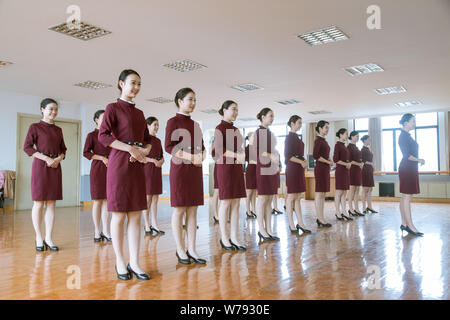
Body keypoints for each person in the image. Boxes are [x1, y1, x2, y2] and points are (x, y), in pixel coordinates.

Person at [99, 69, 152, 280]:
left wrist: (144, 151)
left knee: (136, 215)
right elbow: (103, 136)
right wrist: (129, 149)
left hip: (137, 164)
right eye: (132, 83)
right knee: (119, 215)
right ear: (121, 84)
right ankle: (120, 261)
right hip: (119, 164)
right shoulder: (112, 108)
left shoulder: (140, 114)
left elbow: (148, 140)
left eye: (139, 83)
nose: (136, 87)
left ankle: (135, 262)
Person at [165, 88, 207, 264]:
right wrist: (191, 157)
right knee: (180, 209)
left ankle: (192, 249)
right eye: (190, 99)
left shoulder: (196, 124)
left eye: (195, 100)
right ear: (180, 101)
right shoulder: (172, 121)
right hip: (180, 171)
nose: (193, 103)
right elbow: (169, 147)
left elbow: (203, 147)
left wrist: (201, 159)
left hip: (194, 170)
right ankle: (180, 249)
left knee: (193, 211)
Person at [24, 98, 67, 251]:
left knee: (51, 203)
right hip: (41, 167)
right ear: (42, 109)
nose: (53, 112)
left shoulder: (58, 130)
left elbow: (63, 149)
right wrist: (47, 159)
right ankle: (38, 237)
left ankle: (48, 237)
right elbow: (27, 147)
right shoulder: (34, 127)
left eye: (55, 109)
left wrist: (58, 159)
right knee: (39, 203)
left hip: (55, 167)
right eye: (50, 109)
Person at [214, 100, 247, 250]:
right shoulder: (219, 128)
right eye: (233, 109)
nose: (235, 112)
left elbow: (239, 149)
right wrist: (236, 155)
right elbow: (219, 150)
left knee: (236, 203)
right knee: (226, 202)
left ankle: (234, 236)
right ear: (224, 110)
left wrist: (242, 155)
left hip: (236, 168)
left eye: (237, 110)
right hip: (225, 169)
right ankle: (224, 238)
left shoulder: (236, 130)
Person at [83, 110, 112, 242]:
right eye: (103, 117)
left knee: (107, 201)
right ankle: (97, 231)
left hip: (111, 169)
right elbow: (87, 153)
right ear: (96, 120)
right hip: (98, 169)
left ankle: (106, 231)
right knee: (98, 201)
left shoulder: (111, 136)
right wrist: (102, 158)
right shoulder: (91, 135)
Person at [254, 108, 280, 242]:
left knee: (269, 199)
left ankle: (269, 229)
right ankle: (261, 230)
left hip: (271, 169)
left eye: (273, 116)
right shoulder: (258, 132)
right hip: (263, 169)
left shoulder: (269, 133)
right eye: (270, 116)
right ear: (263, 117)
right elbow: (258, 151)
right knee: (263, 199)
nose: (272, 118)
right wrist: (272, 156)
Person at [398, 113, 424, 236]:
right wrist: (420, 160)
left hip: (410, 168)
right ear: (406, 123)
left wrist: (418, 161)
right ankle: (410, 225)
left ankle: (404, 223)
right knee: (407, 197)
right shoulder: (403, 136)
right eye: (413, 121)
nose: (414, 123)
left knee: (405, 197)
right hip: (407, 168)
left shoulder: (407, 136)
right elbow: (407, 155)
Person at [284, 115, 311, 234]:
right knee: (291, 197)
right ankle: (291, 224)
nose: (300, 125)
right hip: (292, 168)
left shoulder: (297, 138)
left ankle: (300, 223)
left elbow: (299, 154)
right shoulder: (289, 138)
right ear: (292, 123)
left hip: (299, 168)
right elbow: (288, 156)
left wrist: (304, 161)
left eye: (301, 123)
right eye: (299, 123)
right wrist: (301, 161)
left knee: (297, 197)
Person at [143, 116, 165, 235]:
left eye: (157, 124)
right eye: (154, 124)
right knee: (147, 198)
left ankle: (154, 224)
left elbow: (161, 156)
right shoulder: (144, 140)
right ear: (148, 126)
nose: (156, 127)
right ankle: (147, 225)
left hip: (157, 170)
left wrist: (161, 161)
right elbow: (140, 156)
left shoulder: (158, 141)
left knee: (155, 198)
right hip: (147, 169)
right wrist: (153, 161)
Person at [313, 120, 332, 227]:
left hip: (325, 169)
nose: (327, 129)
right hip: (320, 169)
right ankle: (319, 218)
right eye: (326, 127)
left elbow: (324, 155)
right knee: (319, 193)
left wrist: (329, 160)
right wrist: (328, 161)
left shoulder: (324, 141)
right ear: (320, 128)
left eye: (328, 127)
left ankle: (321, 217)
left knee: (323, 194)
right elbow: (316, 156)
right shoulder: (318, 141)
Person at [332, 128, 353, 221]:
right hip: (340, 171)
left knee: (344, 193)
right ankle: (337, 212)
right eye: (345, 134)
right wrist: (346, 164)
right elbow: (335, 160)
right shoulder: (338, 145)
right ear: (340, 135)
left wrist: (348, 164)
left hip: (345, 171)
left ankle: (344, 212)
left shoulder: (344, 146)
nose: (347, 136)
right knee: (339, 192)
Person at [347, 131, 364, 217]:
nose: (358, 138)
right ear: (352, 137)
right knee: (352, 190)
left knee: (357, 190)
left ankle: (356, 208)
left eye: (358, 136)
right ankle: (350, 209)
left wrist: (361, 164)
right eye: (356, 136)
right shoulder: (349, 147)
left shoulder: (356, 147)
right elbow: (349, 160)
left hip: (358, 170)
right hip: (352, 170)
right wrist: (359, 164)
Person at [361, 135, 377, 214]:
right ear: (364, 140)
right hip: (365, 170)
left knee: (370, 189)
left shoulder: (368, 149)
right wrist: (371, 164)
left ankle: (369, 207)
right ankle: (364, 208)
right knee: (365, 189)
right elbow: (363, 161)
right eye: (368, 139)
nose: (370, 140)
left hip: (370, 169)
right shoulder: (363, 150)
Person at [244, 133, 257, 218]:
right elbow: (247, 159)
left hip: (256, 170)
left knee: (254, 191)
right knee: (249, 191)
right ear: (248, 138)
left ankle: (254, 209)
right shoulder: (247, 148)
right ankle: (247, 210)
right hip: (251, 170)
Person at [211, 138, 220, 223]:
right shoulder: (215, 142)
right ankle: (215, 214)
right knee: (217, 191)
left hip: (226, 168)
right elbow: (214, 156)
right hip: (219, 168)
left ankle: (221, 214)